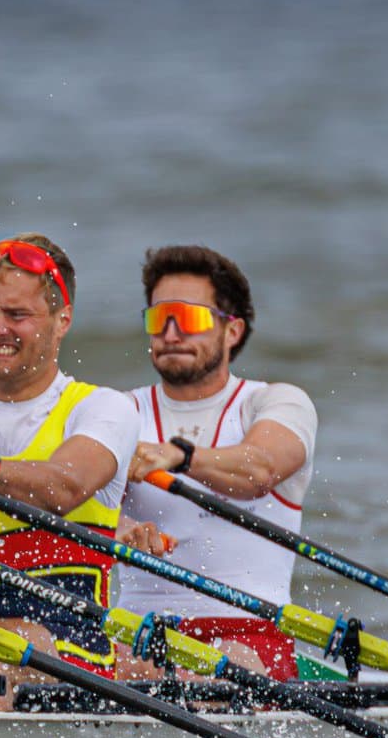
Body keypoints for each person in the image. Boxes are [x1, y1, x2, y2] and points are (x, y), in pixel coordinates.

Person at [0, 234, 139, 707]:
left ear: (63, 321)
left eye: (17, 315)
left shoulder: (102, 408)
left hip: (72, 649)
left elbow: (67, 485)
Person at [114, 245, 318, 680]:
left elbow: (259, 469)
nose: (171, 333)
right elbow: (72, 498)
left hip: (249, 636)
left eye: (189, 318)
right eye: (159, 318)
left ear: (232, 330)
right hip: (137, 634)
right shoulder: (118, 411)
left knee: (206, 672)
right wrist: (115, 528)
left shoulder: (274, 403)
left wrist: (181, 456)